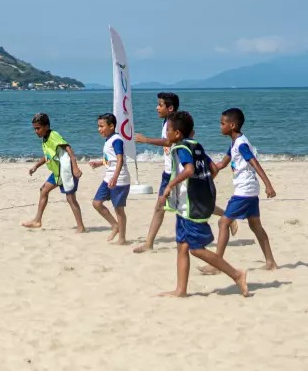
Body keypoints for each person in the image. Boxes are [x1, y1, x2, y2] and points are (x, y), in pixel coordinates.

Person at [159, 112, 249, 297]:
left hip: (192, 205)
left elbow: (190, 170)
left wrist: (170, 185)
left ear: (177, 133)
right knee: (182, 246)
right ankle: (181, 290)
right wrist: (203, 183)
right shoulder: (196, 145)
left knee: (196, 249)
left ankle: (236, 274)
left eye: (168, 130)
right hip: (189, 204)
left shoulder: (182, 148)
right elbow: (213, 169)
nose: (166, 133)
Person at [200, 108, 278, 275]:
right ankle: (270, 262)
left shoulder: (241, 144)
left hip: (245, 190)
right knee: (256, 225)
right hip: (249, 189)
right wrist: (205, 169)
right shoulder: (234, 142)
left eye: (222, 123)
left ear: (232, 125)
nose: (220, 126)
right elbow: (221, 165)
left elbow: (254, 162)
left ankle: (216, 264)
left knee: (223, 222)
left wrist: (268, 185)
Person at [133, 92, 180, 253]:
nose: (157, 108)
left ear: (170, 107)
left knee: (191, 203)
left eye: (160, 105)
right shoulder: (167, 121)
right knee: (160, 207)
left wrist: (146, 140)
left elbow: (169, 141)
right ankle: (149, 243)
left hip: (176, 173)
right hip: (168, 172)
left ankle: (226, 217)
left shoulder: (173, 123)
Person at [22, 113, 85, 232]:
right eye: (34, 128)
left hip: (67, 171)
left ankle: (81, 227)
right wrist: (36, 166)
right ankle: (37, 220)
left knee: (70, 198)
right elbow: (47, 156)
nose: (36, 131)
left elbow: (68, 149)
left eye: (38, 128)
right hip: (57, 172)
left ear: (46, 126)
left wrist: (75, 167)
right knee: (43, 190)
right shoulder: (45, 139)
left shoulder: (53, 135)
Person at [89, 113, 130, 244]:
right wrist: (99, 163)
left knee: (119, 209)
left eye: (102, 126)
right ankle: (114, 225)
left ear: (111, 126)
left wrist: (115, 177)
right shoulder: (108, 139)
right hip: (109, 178)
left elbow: (120, 159)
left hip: (120, 179)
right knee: (96, 203)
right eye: (98, 126)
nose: (99, 129)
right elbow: (110, 159)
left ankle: (122, 238)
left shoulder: (117, 140)